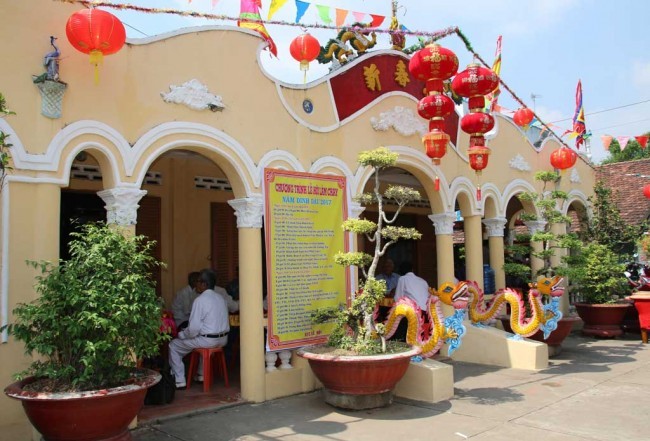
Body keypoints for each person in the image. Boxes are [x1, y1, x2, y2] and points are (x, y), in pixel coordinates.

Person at [168, 269, 230, 389]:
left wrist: (182, 335)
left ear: (204, 284)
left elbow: (194, 329)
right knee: (202, 342)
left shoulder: (200, 300)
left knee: (174, 346)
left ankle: (179, 380)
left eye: (198, 281)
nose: (195, 284)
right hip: (223, 340)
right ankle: (201, 374)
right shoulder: (220, 298)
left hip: (208, 341)